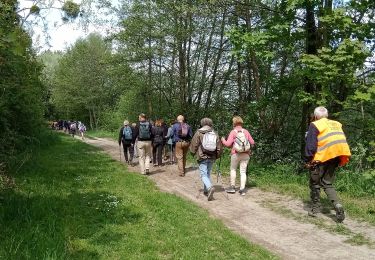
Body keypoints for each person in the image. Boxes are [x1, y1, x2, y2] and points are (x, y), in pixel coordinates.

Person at [305, 106, 351, 222]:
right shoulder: (336, 124)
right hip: (336, 156)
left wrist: (308, 160)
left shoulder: (315, 125)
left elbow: (311, 146)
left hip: (322, 157)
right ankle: (337, 205)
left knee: (315, 182)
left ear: (315, 116)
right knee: (327, 183)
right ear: (327, 115)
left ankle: (315, 209)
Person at [190, 118, 222, 201]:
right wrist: (217, 156)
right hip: (212, 156)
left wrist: (192, 153)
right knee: (208, 173)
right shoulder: (214, 133)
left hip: (202, 156)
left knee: (203, 174)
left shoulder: (199, 132)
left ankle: (209, 187)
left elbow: (194, 144)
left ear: (202, 123)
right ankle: (206, 190)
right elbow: (219, 147)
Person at [221, 116, 255, 196]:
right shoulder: (246, 131)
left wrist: (223, 140)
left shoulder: (233, 132)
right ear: (241, 123)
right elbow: (252, 142)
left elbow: (228, 144)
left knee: (233, 169)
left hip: (235, 154)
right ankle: (242, 189)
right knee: (243, 172)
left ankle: (232, 188)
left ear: (234, 123)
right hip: (246, 154)